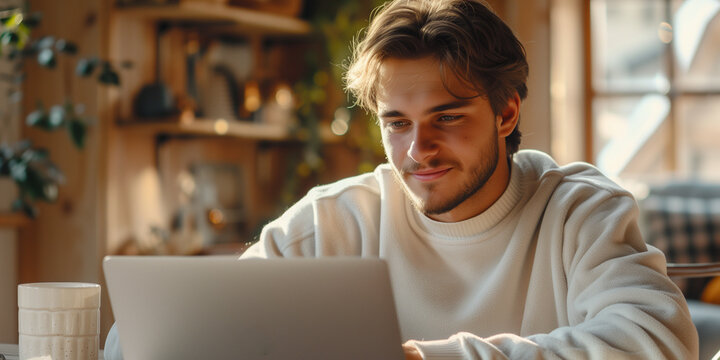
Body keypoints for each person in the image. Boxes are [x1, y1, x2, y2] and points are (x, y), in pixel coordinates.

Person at [105, 0, 698, 359]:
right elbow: (148, 340)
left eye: (447, 117)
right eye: (397, 122)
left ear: (507, 113)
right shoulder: (335, 218)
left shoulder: (578, 210)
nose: (419, 149)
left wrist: (424, 359)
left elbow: (657, 344)